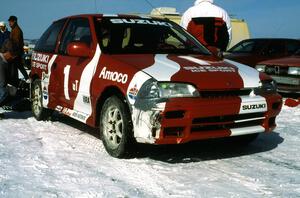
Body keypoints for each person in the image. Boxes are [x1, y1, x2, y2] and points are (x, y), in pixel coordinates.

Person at [8, 15, 29, 84]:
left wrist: (13, 53)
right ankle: (25, 79)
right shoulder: (14, 29)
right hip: (15, 53)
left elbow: (16, 43)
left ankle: (26, 79)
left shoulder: (17, 30)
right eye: (9, 22)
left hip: (16, 53)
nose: (9, 23)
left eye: (10, 22)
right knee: (18, 66)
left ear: (14, 21)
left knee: (16, 66)